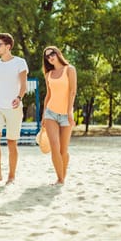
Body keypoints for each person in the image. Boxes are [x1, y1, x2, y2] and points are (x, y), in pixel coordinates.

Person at [0, 33, 28, 185]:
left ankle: (11, 175)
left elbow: (24, 85)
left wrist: (19, 97)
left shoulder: (20, 62)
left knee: (11, 142)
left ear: (8, 46)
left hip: (13, 107)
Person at [42, 46, 77, 185]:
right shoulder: (48, 74)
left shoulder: (70, 69)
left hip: (66, 115)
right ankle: (60, 178)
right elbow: (48, 95)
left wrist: (69, 112)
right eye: (47, 56)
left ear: (58, 54)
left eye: (52, 53)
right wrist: (44, 115)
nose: (50, 57)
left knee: (63, 150)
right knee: (55, 148)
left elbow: (73, 91)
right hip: (50, 113)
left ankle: (63, 174)